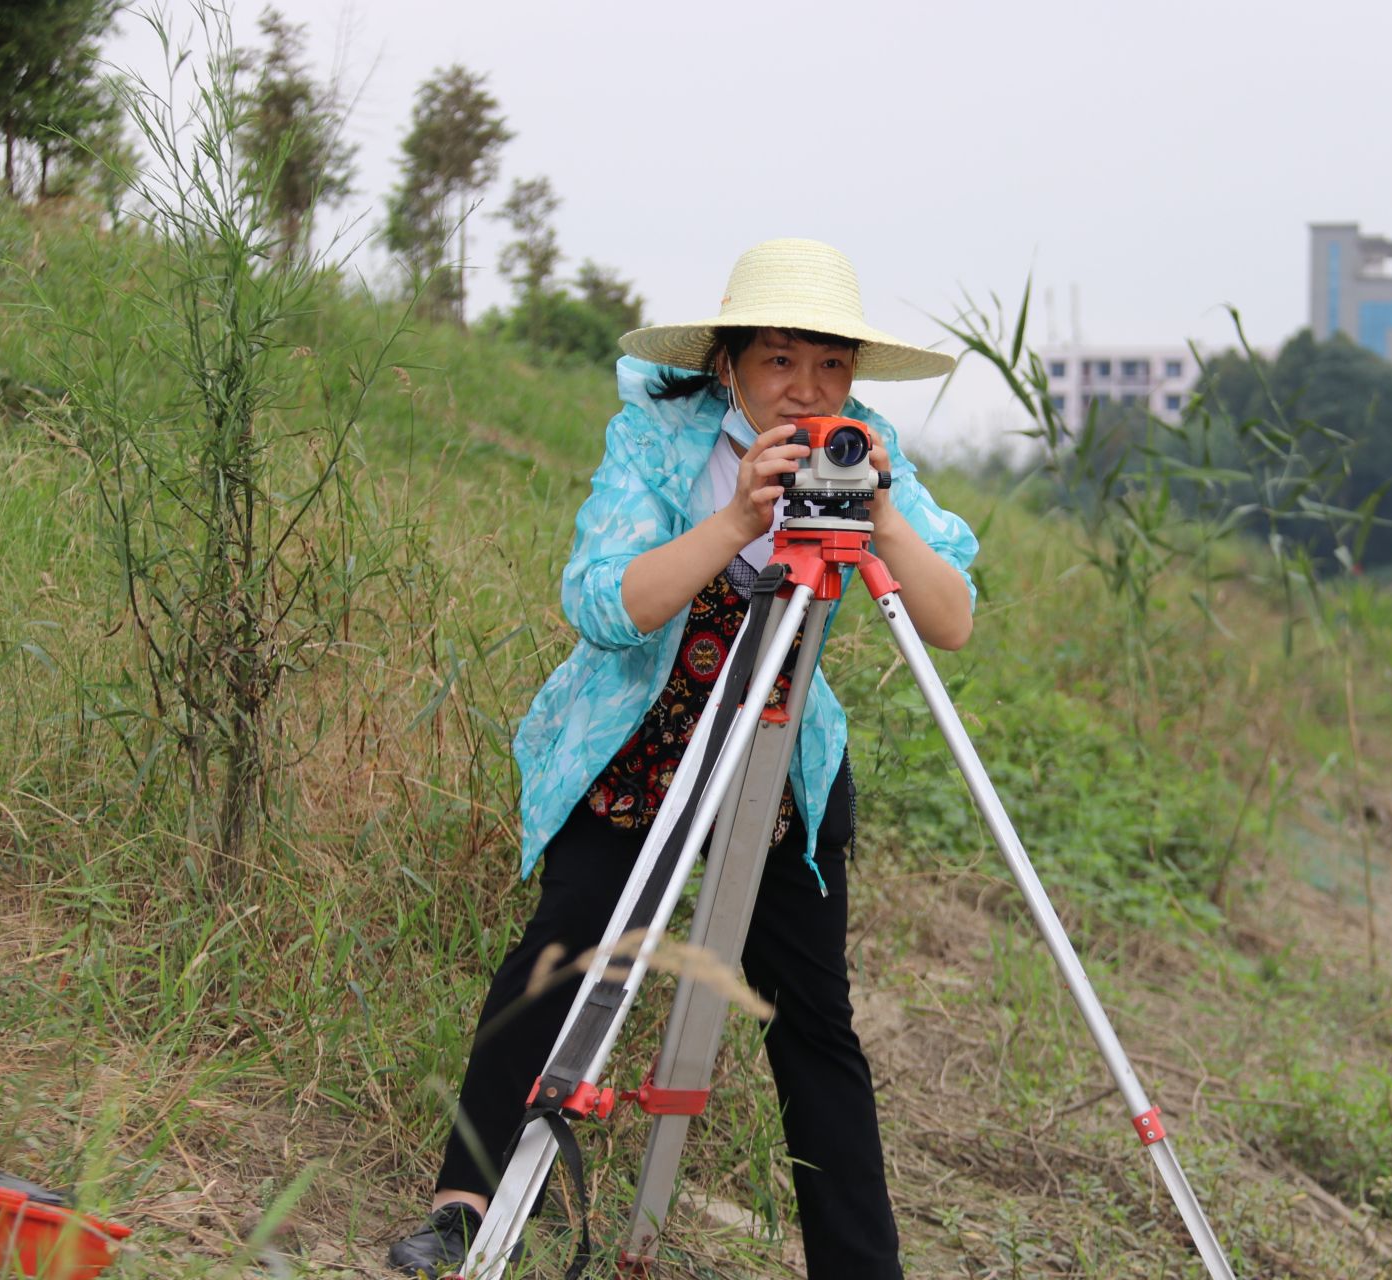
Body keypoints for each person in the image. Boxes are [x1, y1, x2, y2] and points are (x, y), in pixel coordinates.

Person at [388, 238, 978, 1280]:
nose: (807, 390)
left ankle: (860, 1265)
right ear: (728, 364)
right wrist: (740, 514)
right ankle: (467, 1205)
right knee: (564, 950)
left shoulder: (864, 449)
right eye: (780, 360)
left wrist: (880, 514)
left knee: (812, 1013)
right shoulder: (659, 439)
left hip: (778, 745)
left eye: (831, 365)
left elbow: (951, 618)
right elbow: (602, 602)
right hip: (642, 734)